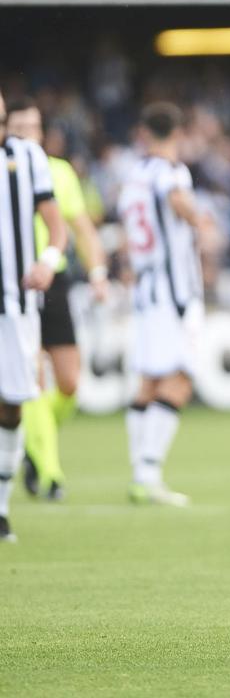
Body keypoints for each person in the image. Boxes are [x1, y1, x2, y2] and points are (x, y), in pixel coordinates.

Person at [4, 99, 109, 502]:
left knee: (68, 384)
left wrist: (97, 273)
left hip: (56, 279)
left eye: (35, 126)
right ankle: (48, 472)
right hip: (14, 285)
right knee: (30, 379)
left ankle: (33, 445)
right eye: (20, 126)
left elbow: (80, 227)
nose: (30, 132)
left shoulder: (58, 171)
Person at [117, 103, 204, 506]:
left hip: (145, 288)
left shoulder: (133, 175)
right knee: (180, 378)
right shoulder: (170, 172)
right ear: (177, 132)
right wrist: (201, 220)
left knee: (149, 381)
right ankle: (147, 473)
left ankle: (140, 472)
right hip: (174, 292)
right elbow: (178, 203)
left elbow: (126, 231)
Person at [0, 90, 67, 542]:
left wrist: (46, 259)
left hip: (15, 305)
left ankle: (1, 509)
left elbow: (56, 225)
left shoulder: (27, 157)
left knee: (11, 405)